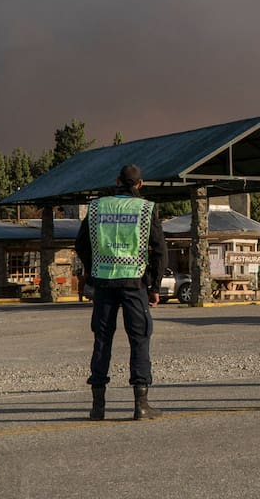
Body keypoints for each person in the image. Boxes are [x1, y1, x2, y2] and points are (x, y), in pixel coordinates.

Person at [75, 164, 168, 420]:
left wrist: (93, 269)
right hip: (134, 283)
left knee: (102, 340)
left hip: (104, 283)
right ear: (140, 184)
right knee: (139, 339)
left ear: (117, 181)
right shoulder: (146, 208)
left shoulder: (97, 207)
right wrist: (155, 286)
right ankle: (141, 404)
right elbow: (159, 250)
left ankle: (98, 406)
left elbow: (81, 243)